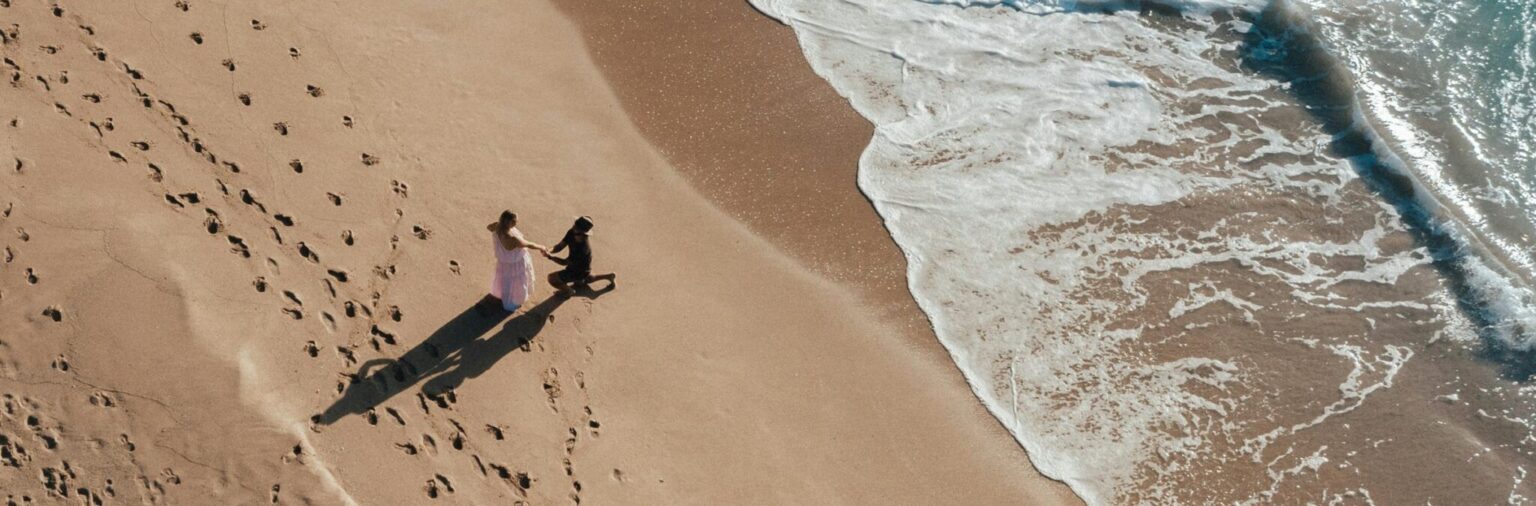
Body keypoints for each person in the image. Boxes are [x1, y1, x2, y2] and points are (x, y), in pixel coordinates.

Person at [486, 210, 550, 312]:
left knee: (505, 280)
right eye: (515, 221)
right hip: (516, 263)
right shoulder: (513, 239)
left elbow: (489, 227)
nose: (517, 223)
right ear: (509, 222)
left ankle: (502, 295)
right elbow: (529, 244)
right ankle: (514, 300)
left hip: (503, 263)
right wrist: (541, 247)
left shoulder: (497, 227)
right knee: (516, 282)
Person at [544, 216, 616, 297]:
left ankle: (569, 291)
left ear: (583, 233)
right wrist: (549, 250)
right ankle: (609, 276)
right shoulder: (572, 232)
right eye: (574, 225)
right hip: (583, 267)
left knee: (552, 279)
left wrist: (550, 257)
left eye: (576, 227)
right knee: (584, 279)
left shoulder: (582, 249)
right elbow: (560, 246)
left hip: (578, 270)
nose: (573, 227)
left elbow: (564, 262)